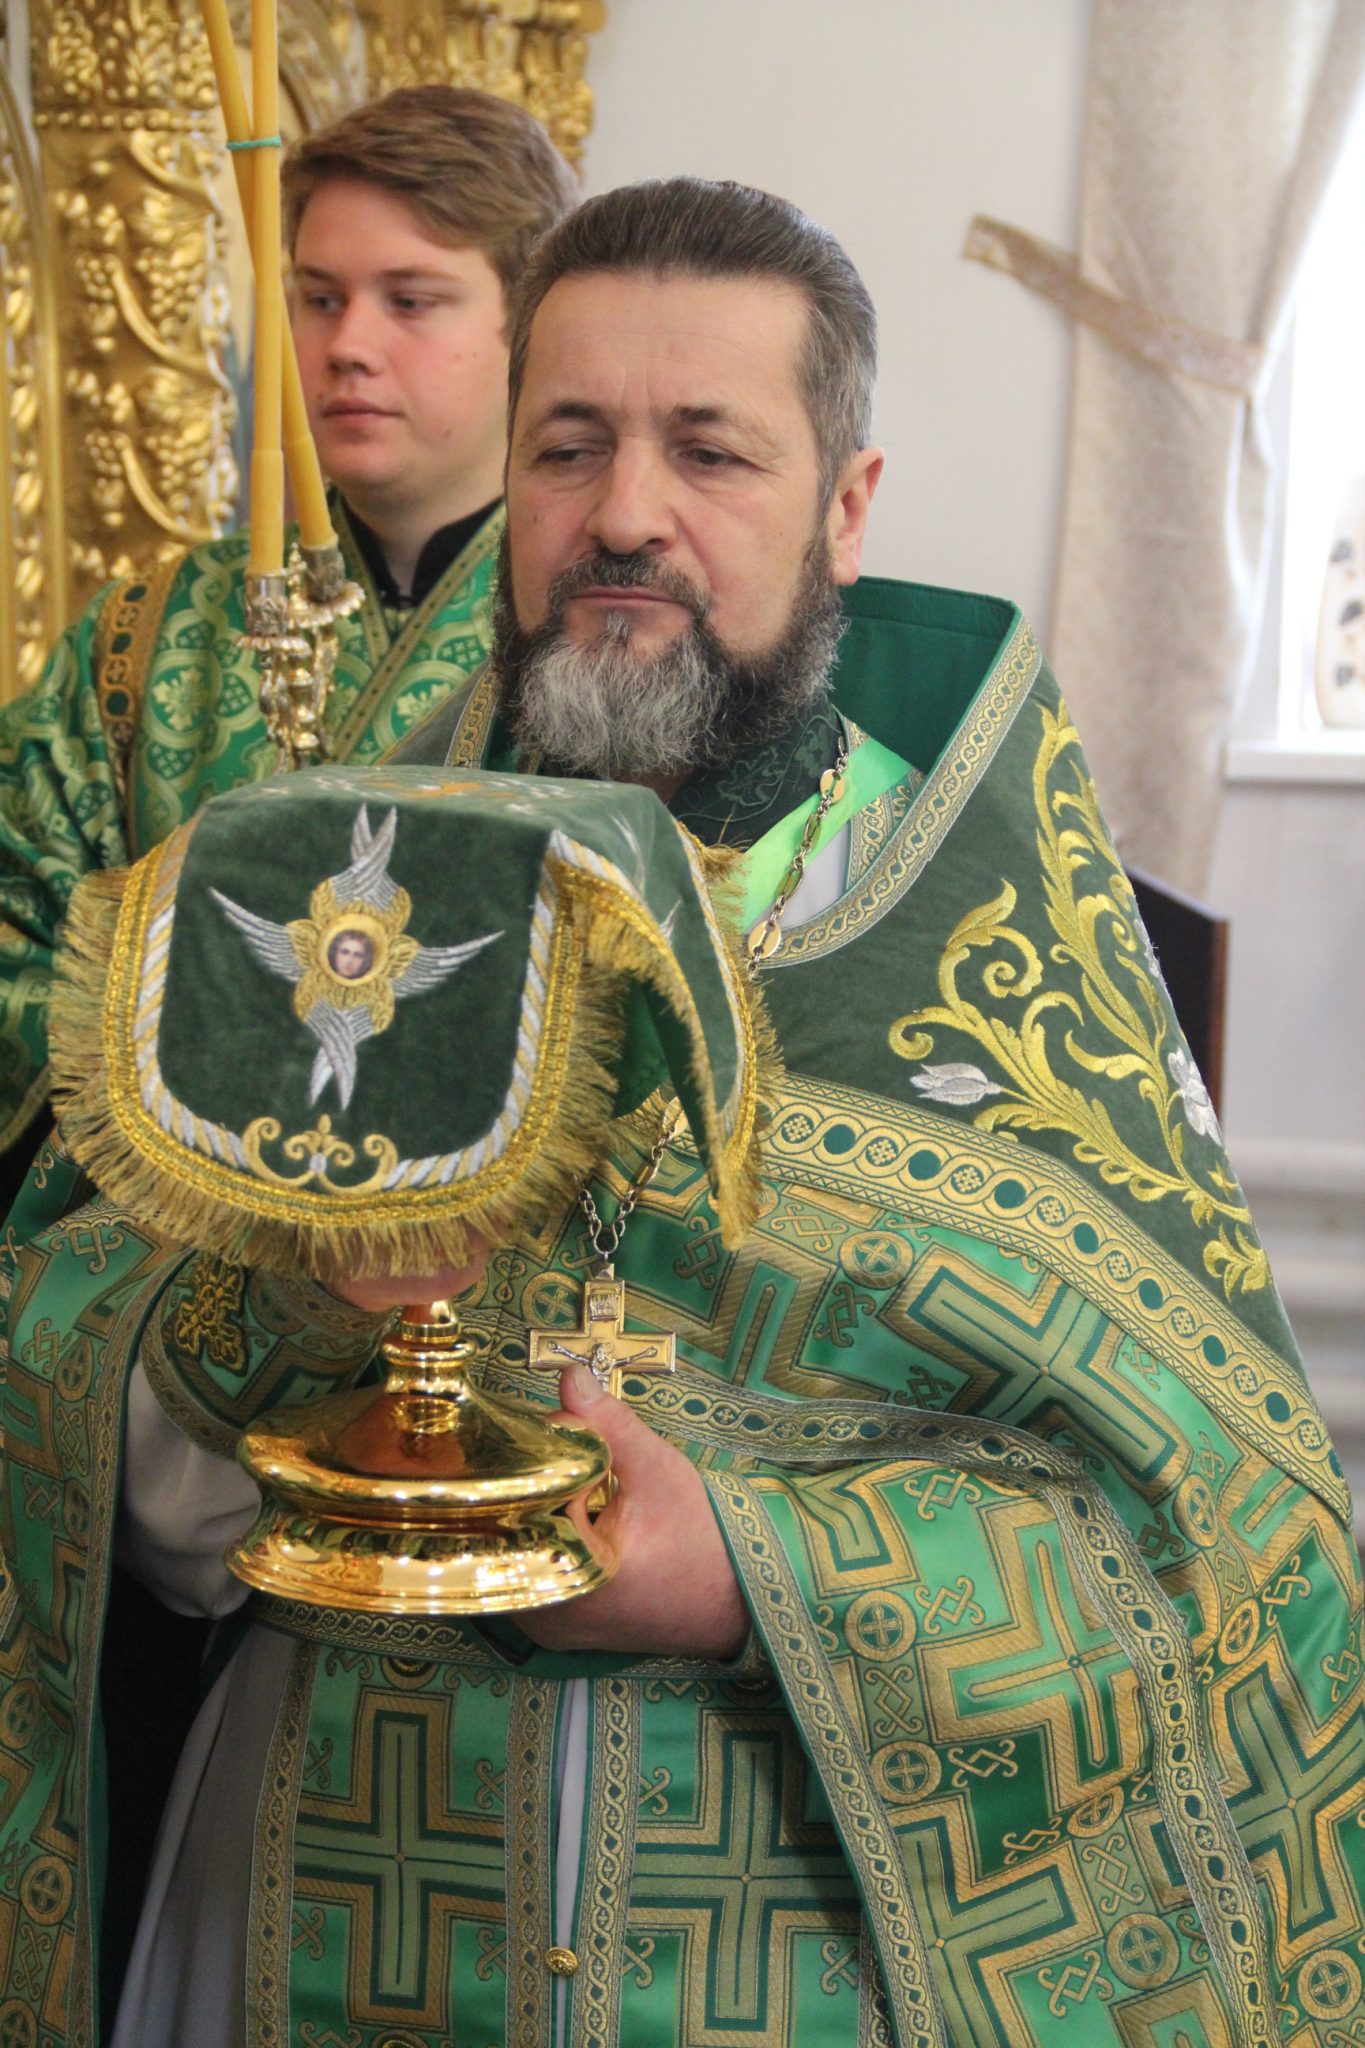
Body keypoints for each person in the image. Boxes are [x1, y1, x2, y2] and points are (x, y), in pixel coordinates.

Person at [4, 175, 1364, 2048]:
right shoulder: (339, 896)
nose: (626, 514)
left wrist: (746, 1569)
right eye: (569, 447)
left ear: (848, 508)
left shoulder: (991, 948)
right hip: (309, 1911)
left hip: (808, 1968)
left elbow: (1226, 1549)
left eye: (710, 452)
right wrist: (308, 1304)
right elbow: (102, 1463)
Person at [0, 83, 578, 1198]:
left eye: (410, 301)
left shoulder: (594, 636)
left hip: (469, 1252)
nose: (347, 345)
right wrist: (184, 1053)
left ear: (528, 326)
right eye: (318, 299)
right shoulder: (146, 635)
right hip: (155, 1235)